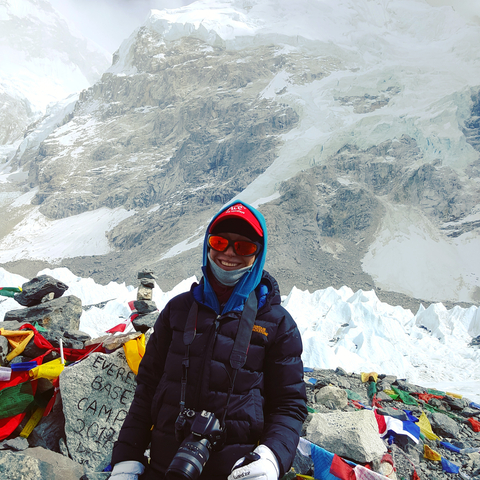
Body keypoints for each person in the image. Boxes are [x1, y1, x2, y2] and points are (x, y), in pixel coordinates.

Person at [110, 201, 307, 480]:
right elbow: (147, 388)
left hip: (239, 473)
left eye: (244, 247)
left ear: (258, 254)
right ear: (208, 246)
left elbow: (290, 405)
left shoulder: (277, 324)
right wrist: (127, 458)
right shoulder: (177, 311)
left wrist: (272, 457)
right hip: (166, 468)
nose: (228, 253)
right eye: (220, 242)